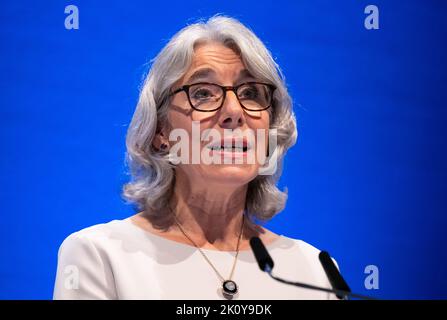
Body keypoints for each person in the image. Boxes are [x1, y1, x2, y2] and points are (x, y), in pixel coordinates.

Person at [53, 15, 338, 300]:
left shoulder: (315, 272)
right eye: (203, 93)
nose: (234, 111)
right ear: (160, 131)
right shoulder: (100, 256)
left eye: (251, 93)